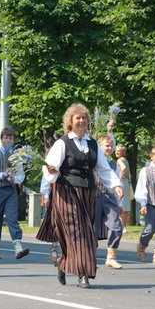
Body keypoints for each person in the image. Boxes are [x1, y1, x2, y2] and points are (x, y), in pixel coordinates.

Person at [41, 103, 123, 288]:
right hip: (66, 192)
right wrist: (51, 171)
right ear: (70, 121)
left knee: (87, 233)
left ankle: (64, 262)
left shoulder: (92, 144)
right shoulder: (63, 142)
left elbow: (102, 168)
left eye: (84, 117)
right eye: (77, 117)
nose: (81, 120)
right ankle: (83, 274)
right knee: (77, 232)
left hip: (87, 193)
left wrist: (116, 185)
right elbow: (49, 167)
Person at [0, 128, 29, 260]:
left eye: (10, 138)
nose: (8, 140)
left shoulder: (16, 156)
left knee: (12, 217)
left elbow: (21, 174)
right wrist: (3, 175)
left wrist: (15, 179)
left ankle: (18, 246)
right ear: (1, 139)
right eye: (6, 138)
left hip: (10, 190)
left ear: (13, 140)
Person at [94, 132, 124, 269]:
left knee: (116, 225)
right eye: (107, 145)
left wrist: (120, 203)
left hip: (110, 197)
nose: (109, 148)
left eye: (111, 146)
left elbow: (117, 180)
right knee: (92, 228)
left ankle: (111, 256)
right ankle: (90, 254)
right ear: (100, 146)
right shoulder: (93, 161)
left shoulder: (113, 164)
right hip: (95, 197)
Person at [134, 146, 155, 265]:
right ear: (152, 156)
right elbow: (142, 187)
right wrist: (143, 204)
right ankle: (142, 245)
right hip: (150, 203)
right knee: (149, 229)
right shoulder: (146, 170)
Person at [115, 145, 133, 230]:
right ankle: (124, 227)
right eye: (116, 151)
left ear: (123, 152)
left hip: (122, 182)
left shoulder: (119, 160)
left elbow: (123, 168)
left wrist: (119, 178)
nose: (116, 152)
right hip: (126, 183)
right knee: (125, 205)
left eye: (118, 151)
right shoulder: (126, 160)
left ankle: (121, 227)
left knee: (121, 204)